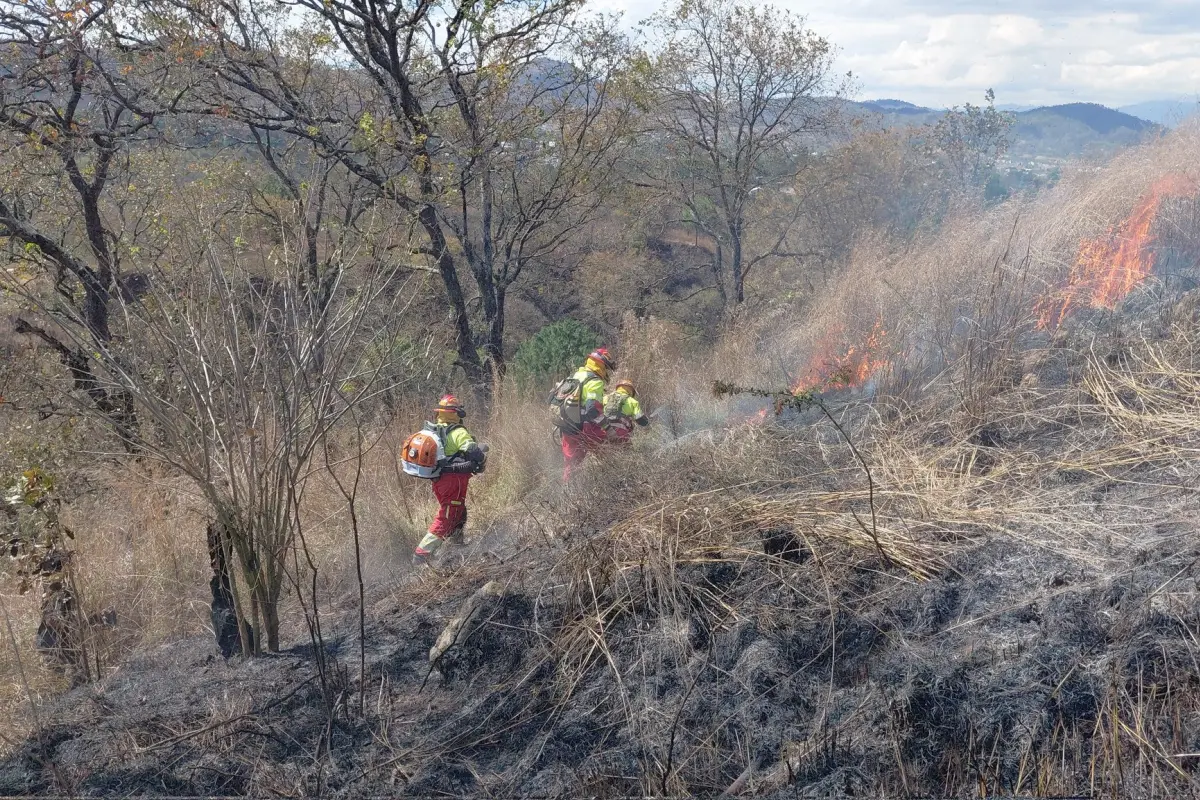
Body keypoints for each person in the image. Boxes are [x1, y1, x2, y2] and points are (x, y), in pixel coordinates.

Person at [412, 395, 488, 567]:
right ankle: (421, 555)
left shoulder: (434, 429)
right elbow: (473, 451)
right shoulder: (457, 432)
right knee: (447, 516)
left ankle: (457, 545)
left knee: (459, 512)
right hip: (454, 480)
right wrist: (482, 459)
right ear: (456, 412)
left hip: (440, 480)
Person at [559, 348, 614, 482]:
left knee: (571, 465)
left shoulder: (575, 376)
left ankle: (568, 494)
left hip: (567, 426)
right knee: (610, 451)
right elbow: (592, 410)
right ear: (602, 366)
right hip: (586, 427)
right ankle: (612, 484)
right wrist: (608, 428)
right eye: (607, 369)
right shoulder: (595, 382)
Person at [604, 379, 649, 444]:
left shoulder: (605, 397)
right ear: (631, 391)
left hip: (604, 429)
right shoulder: (633, 402)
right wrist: (647, 422)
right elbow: (641, 420)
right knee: (625, 450)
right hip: (620, 432)